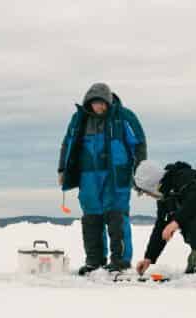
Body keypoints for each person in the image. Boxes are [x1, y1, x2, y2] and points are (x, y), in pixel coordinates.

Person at [57, 83, 147, 275]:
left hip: (116, 175)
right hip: (88, 176)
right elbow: (68, 143)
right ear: (88, 103)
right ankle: (94, 261)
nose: (99, 107)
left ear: (109, 101)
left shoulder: (124, 116)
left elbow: (139, 144)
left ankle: (120, 262)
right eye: (95, 103)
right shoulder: (79, 119)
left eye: (102, 103)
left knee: (116, 216)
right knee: (91, 218)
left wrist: (140, 171)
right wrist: (62, 169)